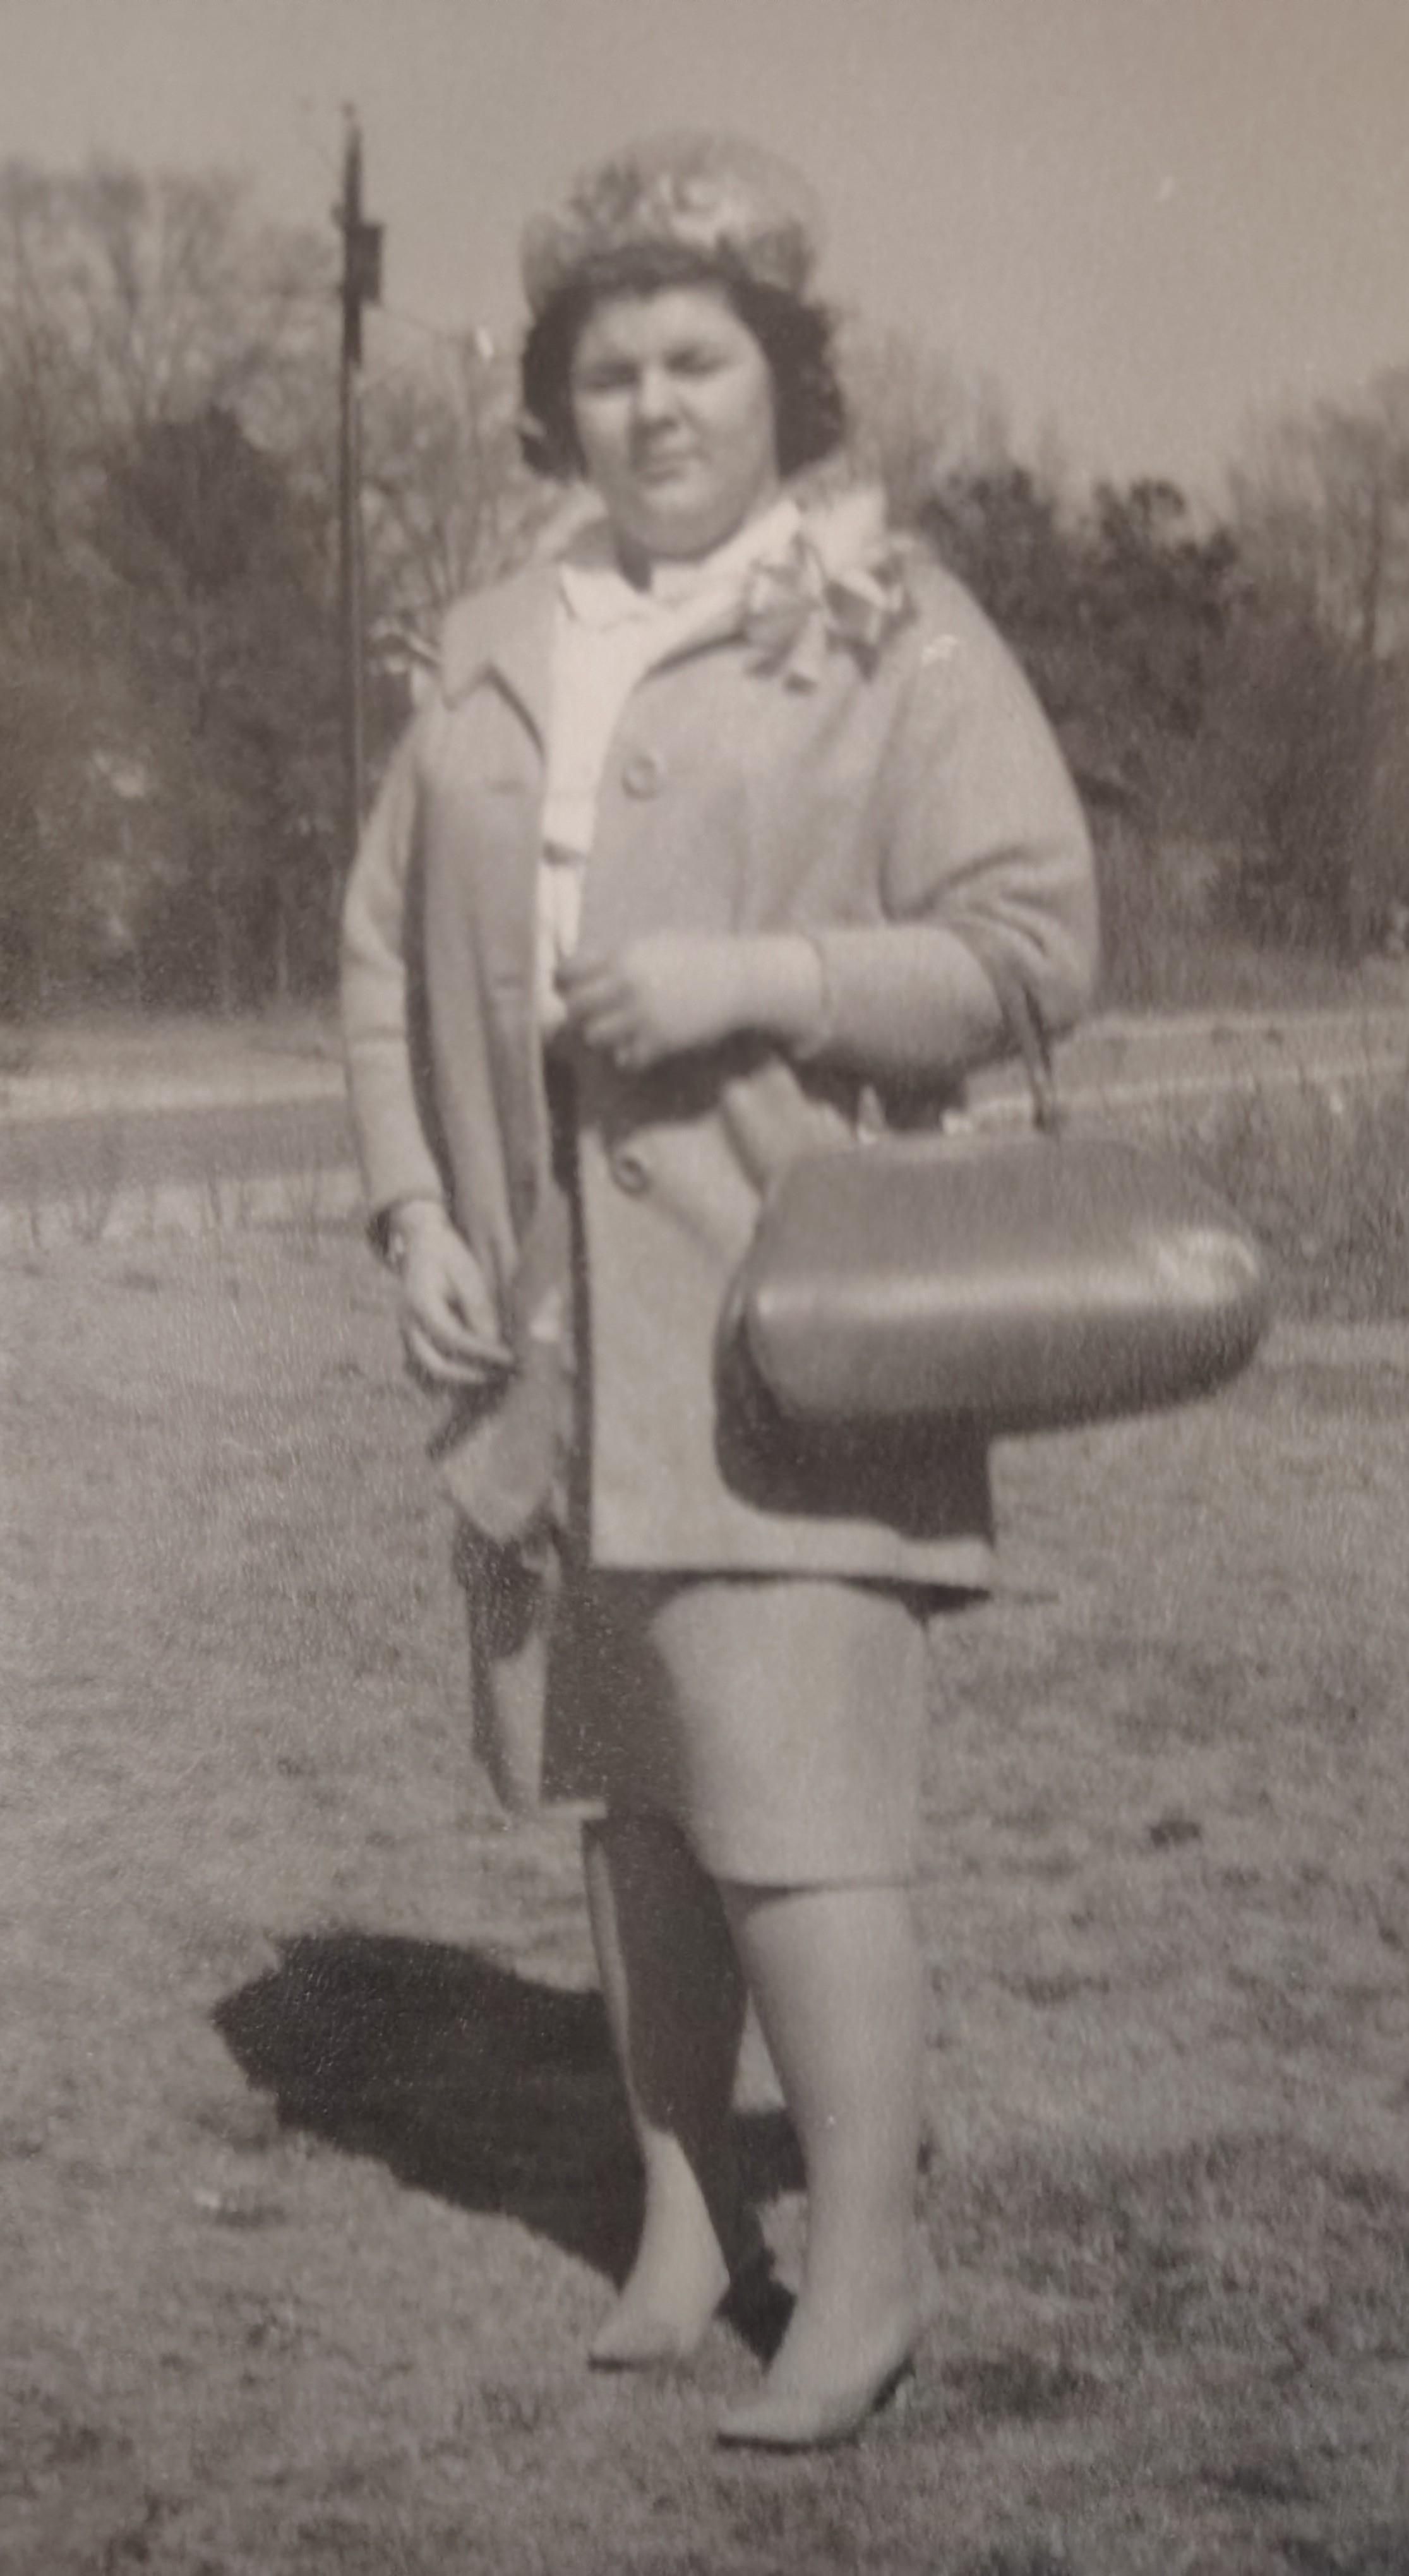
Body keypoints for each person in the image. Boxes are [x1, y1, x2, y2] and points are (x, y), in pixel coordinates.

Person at [340, 131, 1098, 2452]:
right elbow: (379, 959)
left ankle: (864, 2257)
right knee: (635, 1803)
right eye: (606, 370)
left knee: (792, 1810)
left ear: (787, 382)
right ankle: (686, 2214)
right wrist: (420, 1221)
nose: (653, 405)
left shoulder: (895, 627)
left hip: (782, 1330)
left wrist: (763, 973)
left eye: (700, 359)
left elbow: (1036, 945)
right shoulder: (493, 646)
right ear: (552, 410)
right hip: (548, 1341)